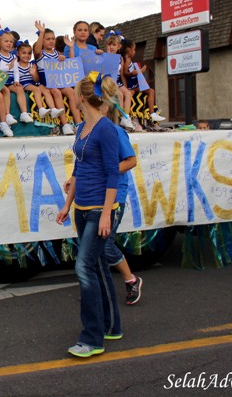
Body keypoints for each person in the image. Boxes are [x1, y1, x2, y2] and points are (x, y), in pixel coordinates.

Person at [56, 76, 120, 358]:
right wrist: (67, 205)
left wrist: (107, 213)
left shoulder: (106, 129)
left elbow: (113, 172)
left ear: (82, 98)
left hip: (98, 210)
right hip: (82, 209)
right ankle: (110, 326)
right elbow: (79, 171)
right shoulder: (82, 128)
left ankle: (92, 338)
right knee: (96, 268)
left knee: (84, 269)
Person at [98, 75, 142, 305]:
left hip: (115, 195)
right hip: (95, 195)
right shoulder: (88, 131)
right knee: (93, 244)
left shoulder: (116, 132)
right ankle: (96, 288)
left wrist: (108, 170)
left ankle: (130, 279)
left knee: (105, 243)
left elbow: (131, 161)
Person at [120, 38, 166, 124]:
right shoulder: (127, 60)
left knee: (150, 90)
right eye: (134, 50)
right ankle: (152, 113)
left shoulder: (127, 60)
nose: (134, 52)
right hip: (131, 85)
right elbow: (125, 73)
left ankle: (152, 113)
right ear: (129, 50)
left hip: (133, 84)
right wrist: (134, 72)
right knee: (151, 91)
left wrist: (139, 71)